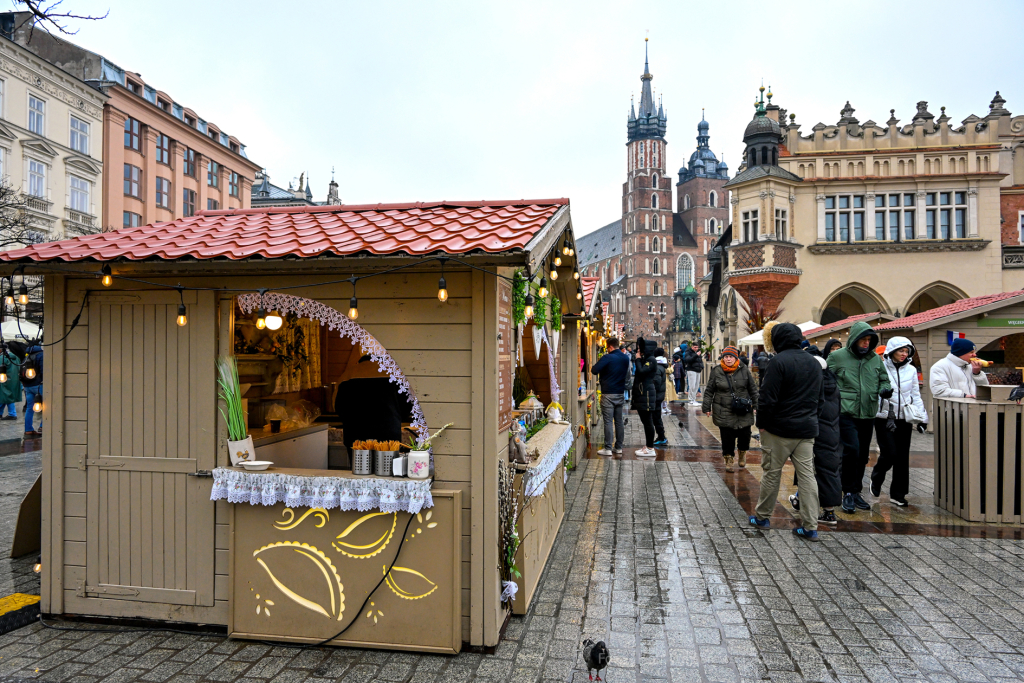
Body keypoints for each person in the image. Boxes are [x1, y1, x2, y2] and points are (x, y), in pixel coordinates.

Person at [750, 322, 823, 541]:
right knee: (808, 477)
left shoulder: (777, 362)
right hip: (806, 429)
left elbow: (767, 398)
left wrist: (761, 423)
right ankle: (811, 526)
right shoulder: (814, 363)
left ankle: (762, 517)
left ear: (778, 341)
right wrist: (812, 420)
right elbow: (820, 399)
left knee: (772, 473)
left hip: (778, 429)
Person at [827, 321, 892, 514]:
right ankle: (847, 491)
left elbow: (883, 379)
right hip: (845, 411)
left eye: (869, 340)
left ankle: (855, 491)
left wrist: (884, 390)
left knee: (863, 455)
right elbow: (826, 379)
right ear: (854, 339)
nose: (866, 343)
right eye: (862, 339)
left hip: (868, 412)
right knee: (852, 450)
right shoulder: (837, 357)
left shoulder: (874, 359)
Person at [872, 337, 928, 507]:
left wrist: (922, 419)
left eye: (907, 351)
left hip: (904, 417)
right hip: (883, 417)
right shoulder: (879, 367)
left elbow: (915, 395)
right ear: (892, 351)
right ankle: (877, 475)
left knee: (902, 457)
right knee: (890, 453)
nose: (904, 354)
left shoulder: (911, 370)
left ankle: (898, 494)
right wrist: (882, 394)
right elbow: (872, 390)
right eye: (901, 350)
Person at [789, 349, 843, 527]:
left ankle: (827, 512)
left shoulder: (811, 385)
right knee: (827, 469)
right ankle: (807, 502)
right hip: (832, 433)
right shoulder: (833, 384)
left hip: (813, 432)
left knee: (811, 470)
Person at [702, 345, 757, 472]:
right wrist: (707, 407)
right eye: (726, 356)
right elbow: (709, 390)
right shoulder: (717, 371)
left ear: (735, 358)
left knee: (745, 435)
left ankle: (742, 452)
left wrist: (756, 405)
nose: (728, 359)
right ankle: (729, 458)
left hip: (743, 409)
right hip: (723, 409)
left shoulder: (744, 370)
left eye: (731, 357)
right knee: (727, 437)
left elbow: (753, 390)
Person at [591, 337, 630, 456]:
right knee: (619, 421)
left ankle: (608, 448)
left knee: (608, 421)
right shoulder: (625, 358)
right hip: (620, 393)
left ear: (610, 347)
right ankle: (618, 447)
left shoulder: (607, 357)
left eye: (607, 348)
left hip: (608, 393)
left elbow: (594, 370)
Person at [631, 338, 659, 456]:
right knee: (645, 421)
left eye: (639, 349)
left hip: (646, 394)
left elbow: (642, 371)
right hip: (642, 394)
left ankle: (650, 448)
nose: (638, 351)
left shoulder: (651, 360)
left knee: (648, 422)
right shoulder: (646, 359)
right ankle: (648, 446)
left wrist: (637, 359)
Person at [21, 344, 43, 436]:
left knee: (30, 408)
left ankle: (28, 429)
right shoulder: (41, 355)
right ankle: (43, 426)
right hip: (39, 385)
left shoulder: (26, 356)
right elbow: (43, 370)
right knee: (46, 406)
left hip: (27, 386)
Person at [653, 348, 669, 445]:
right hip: (659, 396)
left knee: (656, 417)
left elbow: (656, 383)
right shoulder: (661, 365)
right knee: (656, 417)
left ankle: (661, 437)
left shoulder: (657, 367)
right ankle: (661, 436)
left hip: (656, 396)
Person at [0, 345, 21, 420]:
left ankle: (12, 414)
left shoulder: (2, 358)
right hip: (14, 380)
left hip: (4, 380)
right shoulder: (16, 357)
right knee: (7, 396)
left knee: (5, 396)